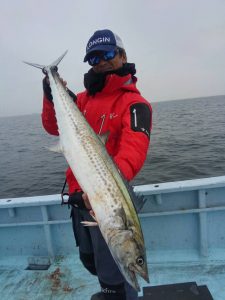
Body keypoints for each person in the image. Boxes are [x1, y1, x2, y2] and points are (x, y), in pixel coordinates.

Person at [41, 29, 152, 300]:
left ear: (123, 55)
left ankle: (117, 295)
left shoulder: (135, 104)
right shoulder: (81, 100)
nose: (101, 61)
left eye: (108, 54)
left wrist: (103, 192)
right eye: (93, 58)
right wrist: (51, 95)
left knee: (113, 274)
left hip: (106, 203)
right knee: (90, 261)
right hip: (80, 202)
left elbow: (132, 152)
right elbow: (53, 127)